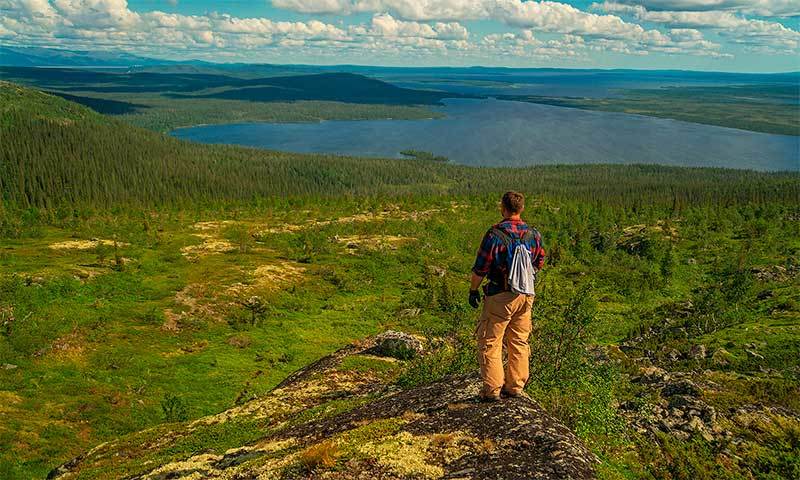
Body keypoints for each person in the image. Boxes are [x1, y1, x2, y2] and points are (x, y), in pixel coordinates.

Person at [469, 191, 545, 402]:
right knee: (519, 340)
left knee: (490, 341)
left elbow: (480, 268)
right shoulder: (533, 234)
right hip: (526, 295)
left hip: (500, 295)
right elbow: (539, 261)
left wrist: (473, 290)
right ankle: (515, 386)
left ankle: (492, 389)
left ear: (503, 207)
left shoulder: (495, 234)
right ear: (521, 208)